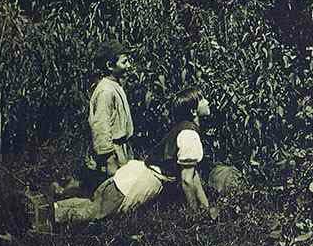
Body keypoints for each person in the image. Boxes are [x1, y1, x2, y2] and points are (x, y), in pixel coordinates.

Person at [26, 86, 214, 230]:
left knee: (94, 204)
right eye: (203, 99)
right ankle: (41, 214)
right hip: (140, 182)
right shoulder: (190, 135)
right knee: (96, 213)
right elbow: (187, 181)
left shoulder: (184, 128)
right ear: (193, 111)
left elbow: (193, 176)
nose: (208, 101)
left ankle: (50, 208)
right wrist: (194, 217)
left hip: (136, 172)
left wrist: (205, 208)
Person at [53, 39, 135, 198]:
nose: (129, 65)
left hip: (120, 150)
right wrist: (109, 158)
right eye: (124, 62)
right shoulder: (105, 91)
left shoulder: (115, 85)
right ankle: (61, 196)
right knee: (100, 194)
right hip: (110, 154)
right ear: (110, 66)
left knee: (106, 192)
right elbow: (101, 127)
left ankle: (66, 191)